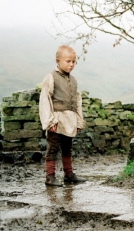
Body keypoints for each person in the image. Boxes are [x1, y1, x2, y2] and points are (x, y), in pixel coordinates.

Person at [39, 45, 86, 186]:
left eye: (73, 61)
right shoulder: (51, 77)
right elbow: (45, 99)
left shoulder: (74, 81)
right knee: (53, 147)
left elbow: (77, 102)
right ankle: (50, 176)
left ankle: (68, 174)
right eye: (68, 61)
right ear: (57, 61)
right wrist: (49, 121)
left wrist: (78, 121)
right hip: (57, 121)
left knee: (67, 147)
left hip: (69, 120)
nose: (71, 64)